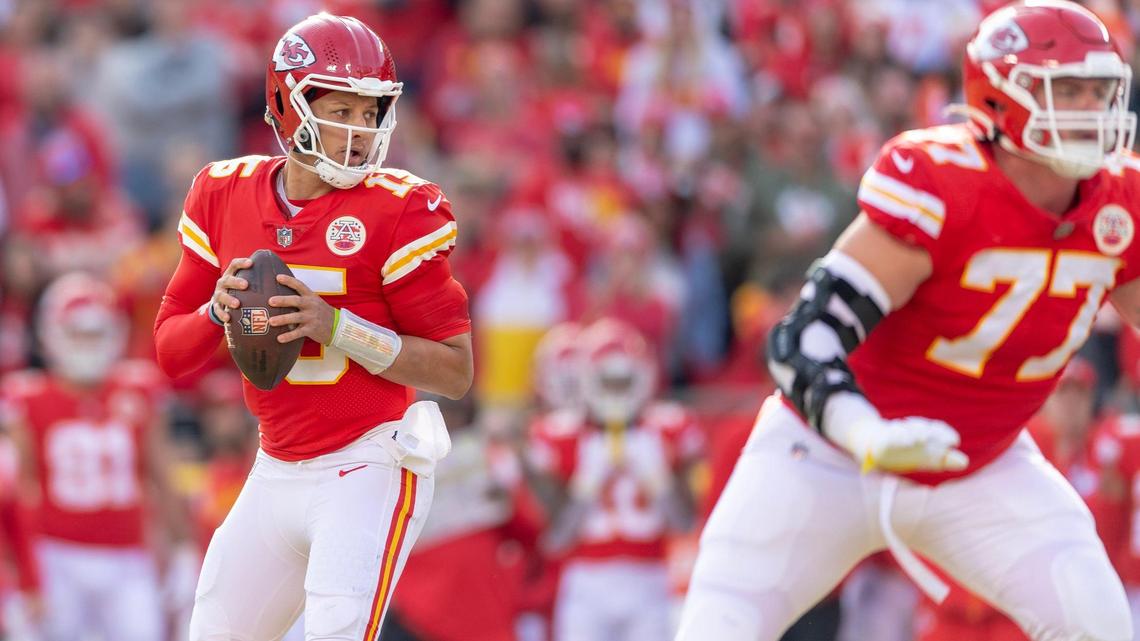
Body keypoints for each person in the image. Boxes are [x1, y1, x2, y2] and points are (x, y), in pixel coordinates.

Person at [676, 2, 1140, 640]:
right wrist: (864, 432)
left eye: (1100, 90)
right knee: (717, 628)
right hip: (825, 454)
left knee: (1101, 626)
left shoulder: (1122, 204)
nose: (1091, 110)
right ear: (1000, 100)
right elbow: (800, 341)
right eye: (1070, 89)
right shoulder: (942, 182)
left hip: (980, 462)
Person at [152, 13, 473, 641]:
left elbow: (455, 371)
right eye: (340, 110)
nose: (357, 132)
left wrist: (336, 327)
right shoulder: (223, 193)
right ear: (285, 105)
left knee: (337, 629)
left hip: (370, 459)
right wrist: (217, 311)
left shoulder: (402, 210)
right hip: (274, 466)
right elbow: (170, 351)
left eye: (368, 112)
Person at [3, 272, 189, 641]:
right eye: (77, 334)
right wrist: (20, 574)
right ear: (52, 334)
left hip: (126, 556)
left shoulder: (138, 388)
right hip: (55, 552)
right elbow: (17, 493)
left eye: (95, 334)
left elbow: (161, 476)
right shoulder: (28, 397)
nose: (87, 345)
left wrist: (183, 547)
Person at [530, 319, 702, 641]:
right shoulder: (562, 434)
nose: (616, 394)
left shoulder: (666, 430)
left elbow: (685, 524)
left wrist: (659, 480)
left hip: (649, 577)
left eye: (623, 382)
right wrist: (585, 485)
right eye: (608, 383)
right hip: (585, 580)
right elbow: (555, 539)